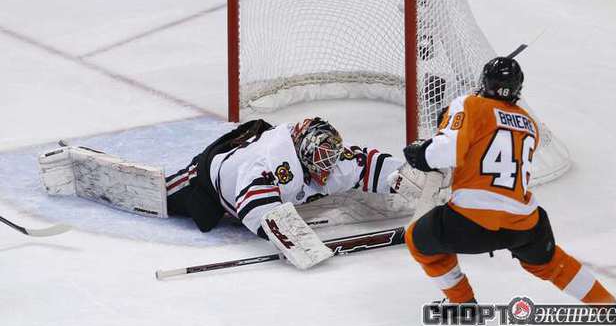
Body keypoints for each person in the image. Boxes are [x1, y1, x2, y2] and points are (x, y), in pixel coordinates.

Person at [40, 117, 421, 270]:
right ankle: (81, 163)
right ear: (303, 156)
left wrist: (406, 179)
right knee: (163, 197)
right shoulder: (260, 169)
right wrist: (299, 243)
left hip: (257, 153)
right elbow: (265, 216)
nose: (328, 167)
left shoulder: (325, 156)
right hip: (213, 175)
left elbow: (366, 164)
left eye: (330, 159)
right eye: (320, 162)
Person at [400, 57, 616, 306]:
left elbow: (446, 152)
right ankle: (607, 305)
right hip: (523, 224)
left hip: (470, 221)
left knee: (417, 240)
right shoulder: (530, 124)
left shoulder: (468, 104)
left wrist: (422, 152)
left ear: (485, 82)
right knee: (551, 263)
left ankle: (463, 306)